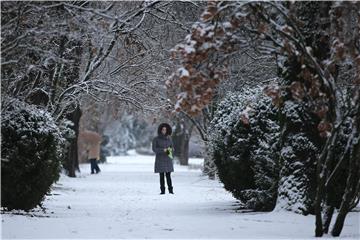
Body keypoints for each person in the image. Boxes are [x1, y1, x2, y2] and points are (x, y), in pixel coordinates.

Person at [152, 123, 174, 194]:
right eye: (163, 130)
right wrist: (163, 150)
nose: (164, 131)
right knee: (161, 176)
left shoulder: (169, 139)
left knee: (168, 176)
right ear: (160, 130)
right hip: (160, 159)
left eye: (165, 130)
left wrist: (169, 150)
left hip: (168, 159)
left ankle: (171, 191)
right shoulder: (156, 139)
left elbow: (172, 148)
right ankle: (162, 191)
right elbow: (154, 149)